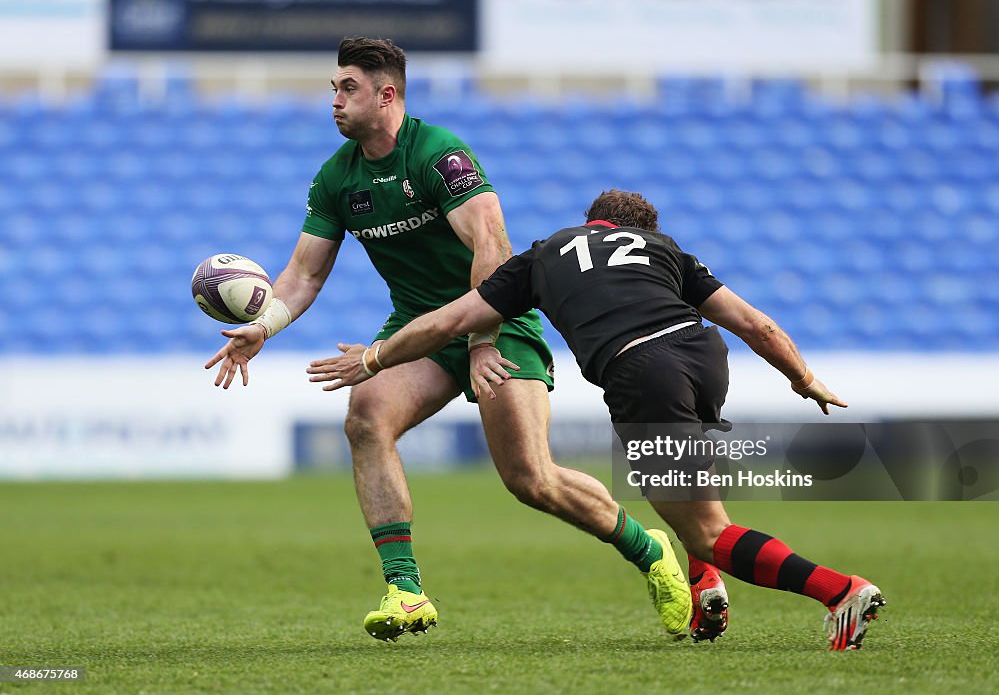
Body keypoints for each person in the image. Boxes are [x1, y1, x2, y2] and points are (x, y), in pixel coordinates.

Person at [205, 39, 694, 642]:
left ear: (387, 95)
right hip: (419, 328)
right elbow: (304, 274)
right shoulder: (336, 178)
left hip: (498, 320)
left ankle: (651, 552)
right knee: (365, 418)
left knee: (531, 480)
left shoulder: (441, 155)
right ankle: (405, 590)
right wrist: (262, 327)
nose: (333, 100)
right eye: (333, 87)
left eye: (347, 87)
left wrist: (483, 339)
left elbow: (493, 245)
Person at [308, 189, 888, 651]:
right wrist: (803, 378)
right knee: (693, 502)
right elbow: (755, 324)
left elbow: (447, 322)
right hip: (703, 357)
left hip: (640, 369)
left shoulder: (543, 255)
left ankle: (840, 592)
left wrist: (374, 358)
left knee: (706, 527)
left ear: (591, 223)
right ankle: (703, 581)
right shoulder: (666, 252)